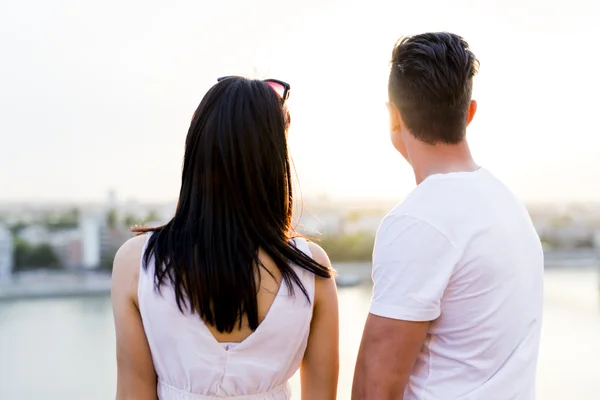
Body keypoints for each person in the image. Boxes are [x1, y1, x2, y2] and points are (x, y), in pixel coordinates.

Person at [111, 76, 339, 400]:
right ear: (275, 158)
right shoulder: (311, 268)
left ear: (196, 148)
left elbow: (133, 393)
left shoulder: (137, 263)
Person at [352, 32, 544, 399]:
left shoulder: (419, 220)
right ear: (469, 112)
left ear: (393, 116)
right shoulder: (509, 207)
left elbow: (374, 388)